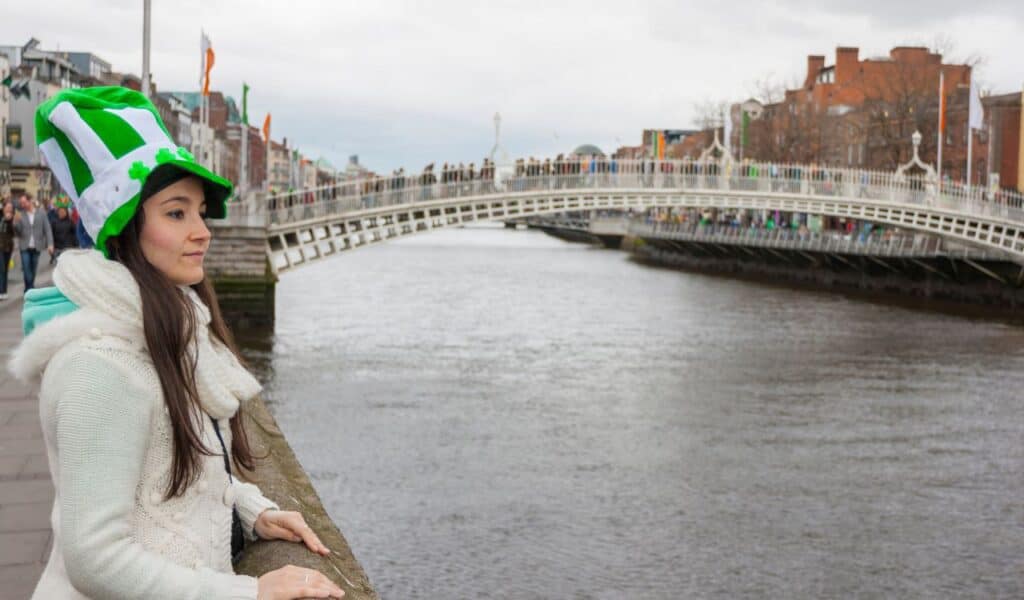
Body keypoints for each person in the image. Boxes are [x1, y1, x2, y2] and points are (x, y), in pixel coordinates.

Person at [8, 87, 345, 600]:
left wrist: (252, 511)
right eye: (176, 212)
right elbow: (94, 559)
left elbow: (172, 485)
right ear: (123, 226)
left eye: (201, 212)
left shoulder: (168, 328)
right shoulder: (100, 363)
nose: (203, 231)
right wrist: (249, 593)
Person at [12, 194, 54, 291]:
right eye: (21, 203)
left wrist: (50, 244)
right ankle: (30, 288)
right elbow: (18, 232)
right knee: (26, 269)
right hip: (24, 246)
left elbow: (47, 229)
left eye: (24, 202)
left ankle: (28, 287)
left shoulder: (41, 213)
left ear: (30, 201)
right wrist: (15, 223)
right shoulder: (21, 214)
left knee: (33, 269)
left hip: (37, 246)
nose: (22, 205)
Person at [0, 201, 14, 300]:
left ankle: (4, 291)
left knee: (5, 269)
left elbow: (13, 233)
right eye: (8, 207)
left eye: (11, 207)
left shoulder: (12, 218)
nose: (9, 209)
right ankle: (1, 291)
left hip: (8, 247)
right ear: (3, 208)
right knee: (1, 269)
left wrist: (9, 222)